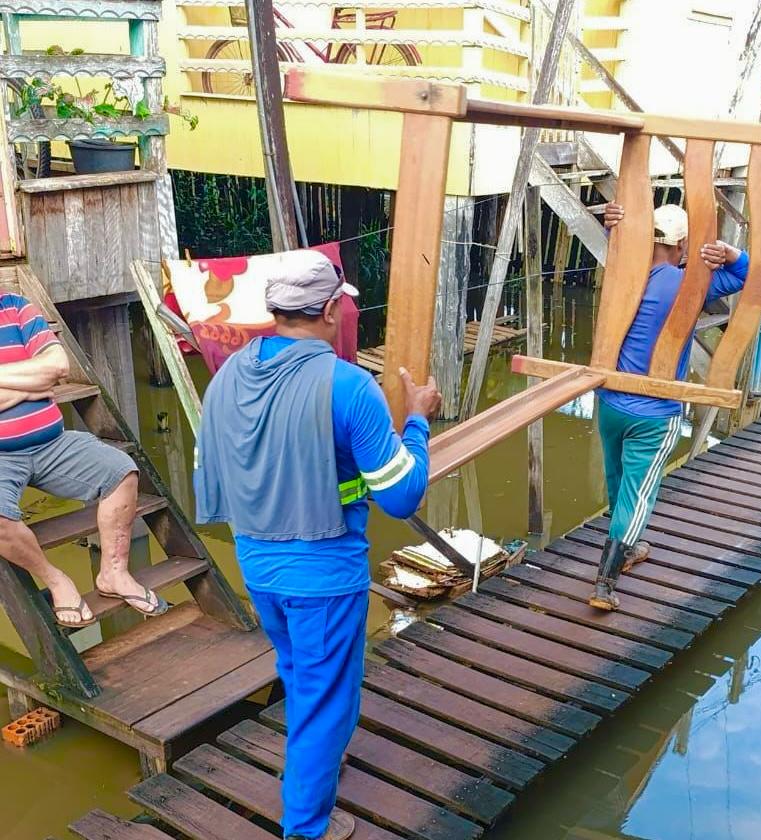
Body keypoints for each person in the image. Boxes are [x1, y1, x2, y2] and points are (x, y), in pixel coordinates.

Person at [194, 250, 441, 840]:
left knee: (302, 676)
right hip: (324, 577)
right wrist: (417, 421)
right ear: (330, 310)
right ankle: (306, 827)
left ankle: (317, 762)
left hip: (257, 565)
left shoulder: (230, 373)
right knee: (327, 701)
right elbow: (401, 496)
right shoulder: (349, 386)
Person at [590, 203, 749, 610]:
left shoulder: (626, 270)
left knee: (618, 478)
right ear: (681, 246)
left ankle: (627, 546)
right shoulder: (689, 285)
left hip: (610, 402)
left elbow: (618, 240)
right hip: (654, 413)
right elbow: (746, 275)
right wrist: (728, 252)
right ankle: (605, 583)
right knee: (637, 494)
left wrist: (614, 226)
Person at [0, 292, 167, 627]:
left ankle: (114, 573)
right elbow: (46, 374)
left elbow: (58, 366)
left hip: (53, 443)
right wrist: (34, 386)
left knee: (121, 471)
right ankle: (56, 580)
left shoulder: (15, 307)